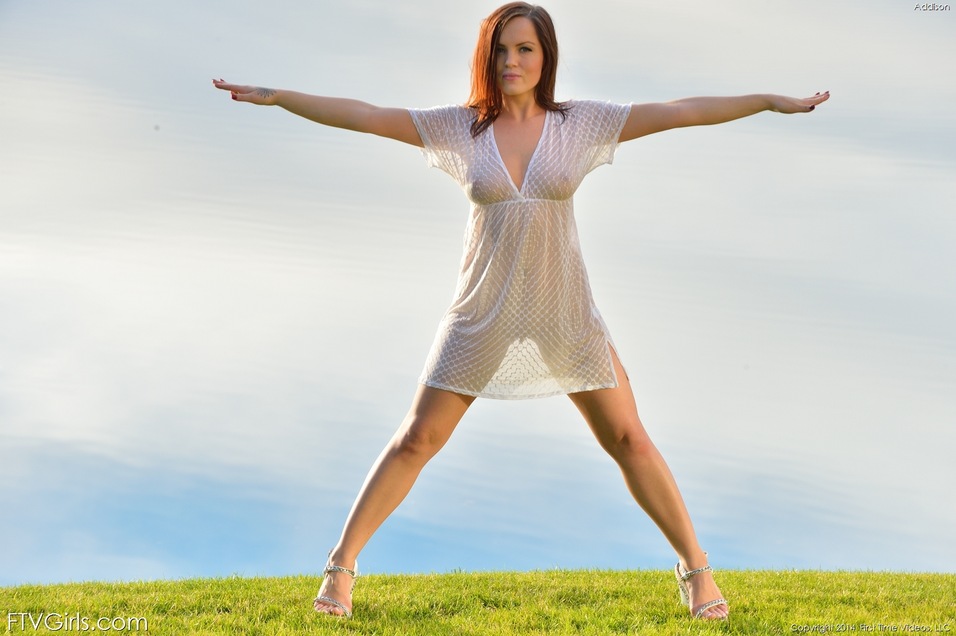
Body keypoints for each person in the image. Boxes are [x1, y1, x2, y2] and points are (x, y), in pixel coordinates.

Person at [213, 1, 828, 622]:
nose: (512, 61)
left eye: (525, 49)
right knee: (416, 439)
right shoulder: (461, 128)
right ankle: (340, 572)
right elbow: (368, 117)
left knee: (628, 438)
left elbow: (679, 113)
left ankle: (697, 573)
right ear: (487, 56)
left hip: (562, 309)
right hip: (482, 311)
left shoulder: (581, 124)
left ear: (545, 57)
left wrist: (769, 101)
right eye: (502, 49)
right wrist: (278, 95)